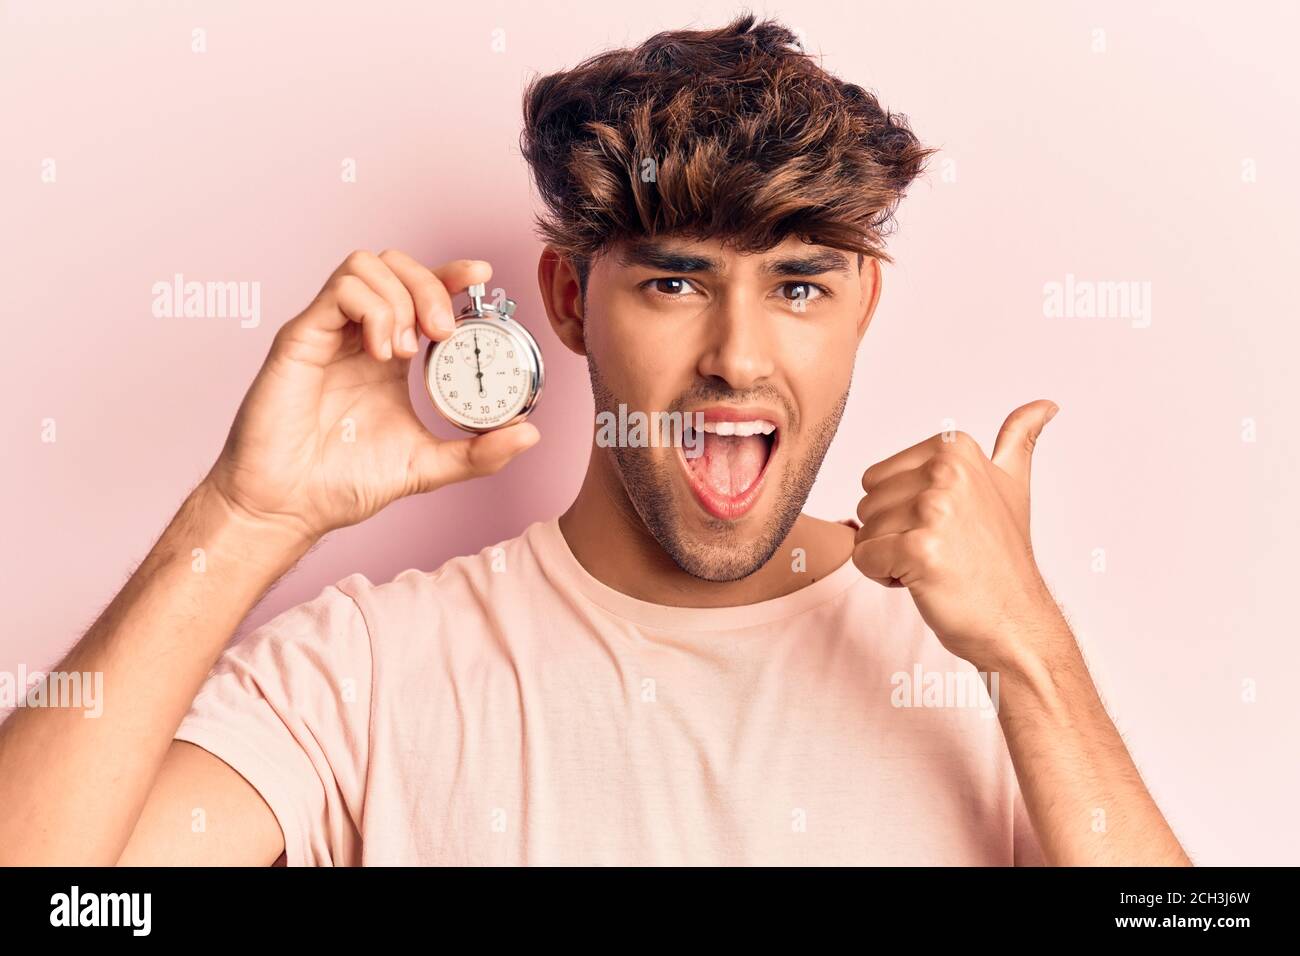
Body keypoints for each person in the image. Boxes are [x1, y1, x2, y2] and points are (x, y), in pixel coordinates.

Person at [0, 15, 1188, 866]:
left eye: (799, 287)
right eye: (674, 283)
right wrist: (242, 517)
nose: (735, 353)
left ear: (864, 304)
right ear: (568, 302)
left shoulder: (984, 663)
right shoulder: (363, 675)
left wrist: (1033, 653)